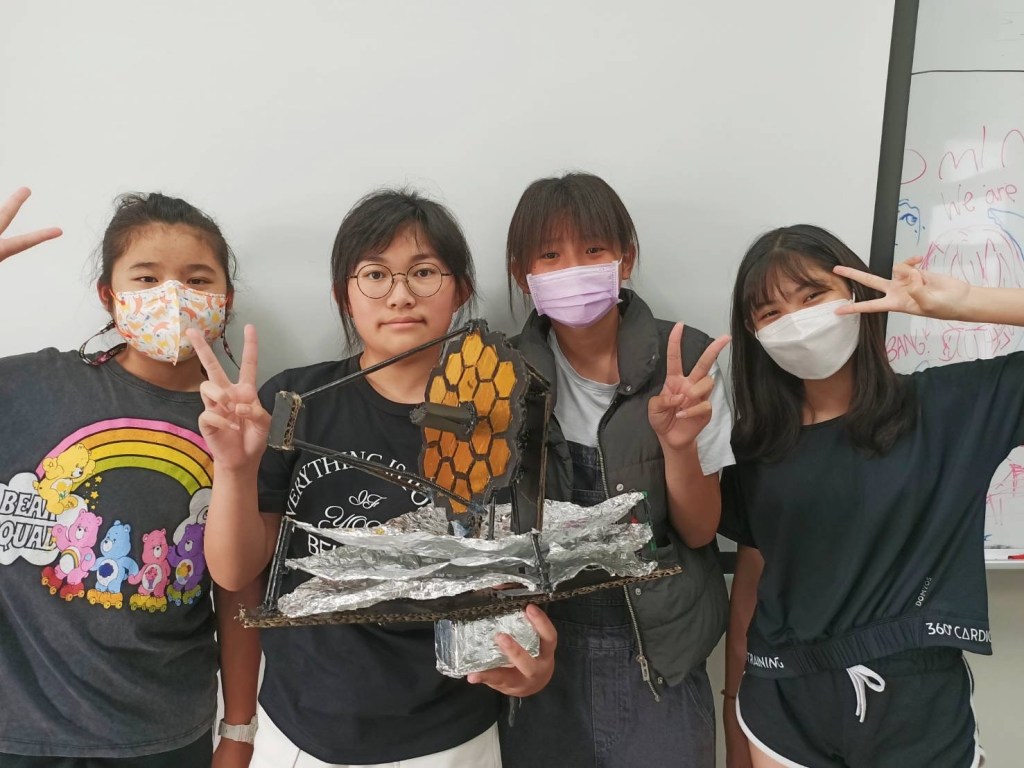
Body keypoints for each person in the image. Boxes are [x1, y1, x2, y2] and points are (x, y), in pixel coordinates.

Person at [189, 188, 557, 768]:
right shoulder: (294, 400)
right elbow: (235, 571)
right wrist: (233, 469)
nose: (401, 296)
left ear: (460, 289)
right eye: (376, 275)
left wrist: (531, 668)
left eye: (425, 272)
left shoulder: (501, 418)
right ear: (345, 295)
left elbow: (516, 583)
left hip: (450, 738)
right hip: (302, 731)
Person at [720, 224, 1018, 768]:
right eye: (771, 312)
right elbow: (753, 575)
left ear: (858, 296)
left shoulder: (949, 410)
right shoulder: (754, 446)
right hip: (780, 703)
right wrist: (733, 705)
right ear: (753, 331)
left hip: (916, 703)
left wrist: (967, 302)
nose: (797, 322)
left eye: (813, 296)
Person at [0, 187, 259, 768]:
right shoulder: (26, 388)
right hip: (16, 736)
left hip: (163, 737)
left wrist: (238, 730)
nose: (172, 296)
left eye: (197, 279)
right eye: (145, 279)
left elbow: (237, 591)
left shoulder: (243, 422)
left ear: (227, 299)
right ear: (109, 297)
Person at [496, 172, 733, 768]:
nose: (572, 267)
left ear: (624, 259)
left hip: (660, 661)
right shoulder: (497, 373)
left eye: (593, 250)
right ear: (524, 273)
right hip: (541, 657)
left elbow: (702, 532)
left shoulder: (686, 361)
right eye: (550, 255)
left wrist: (677, 446)